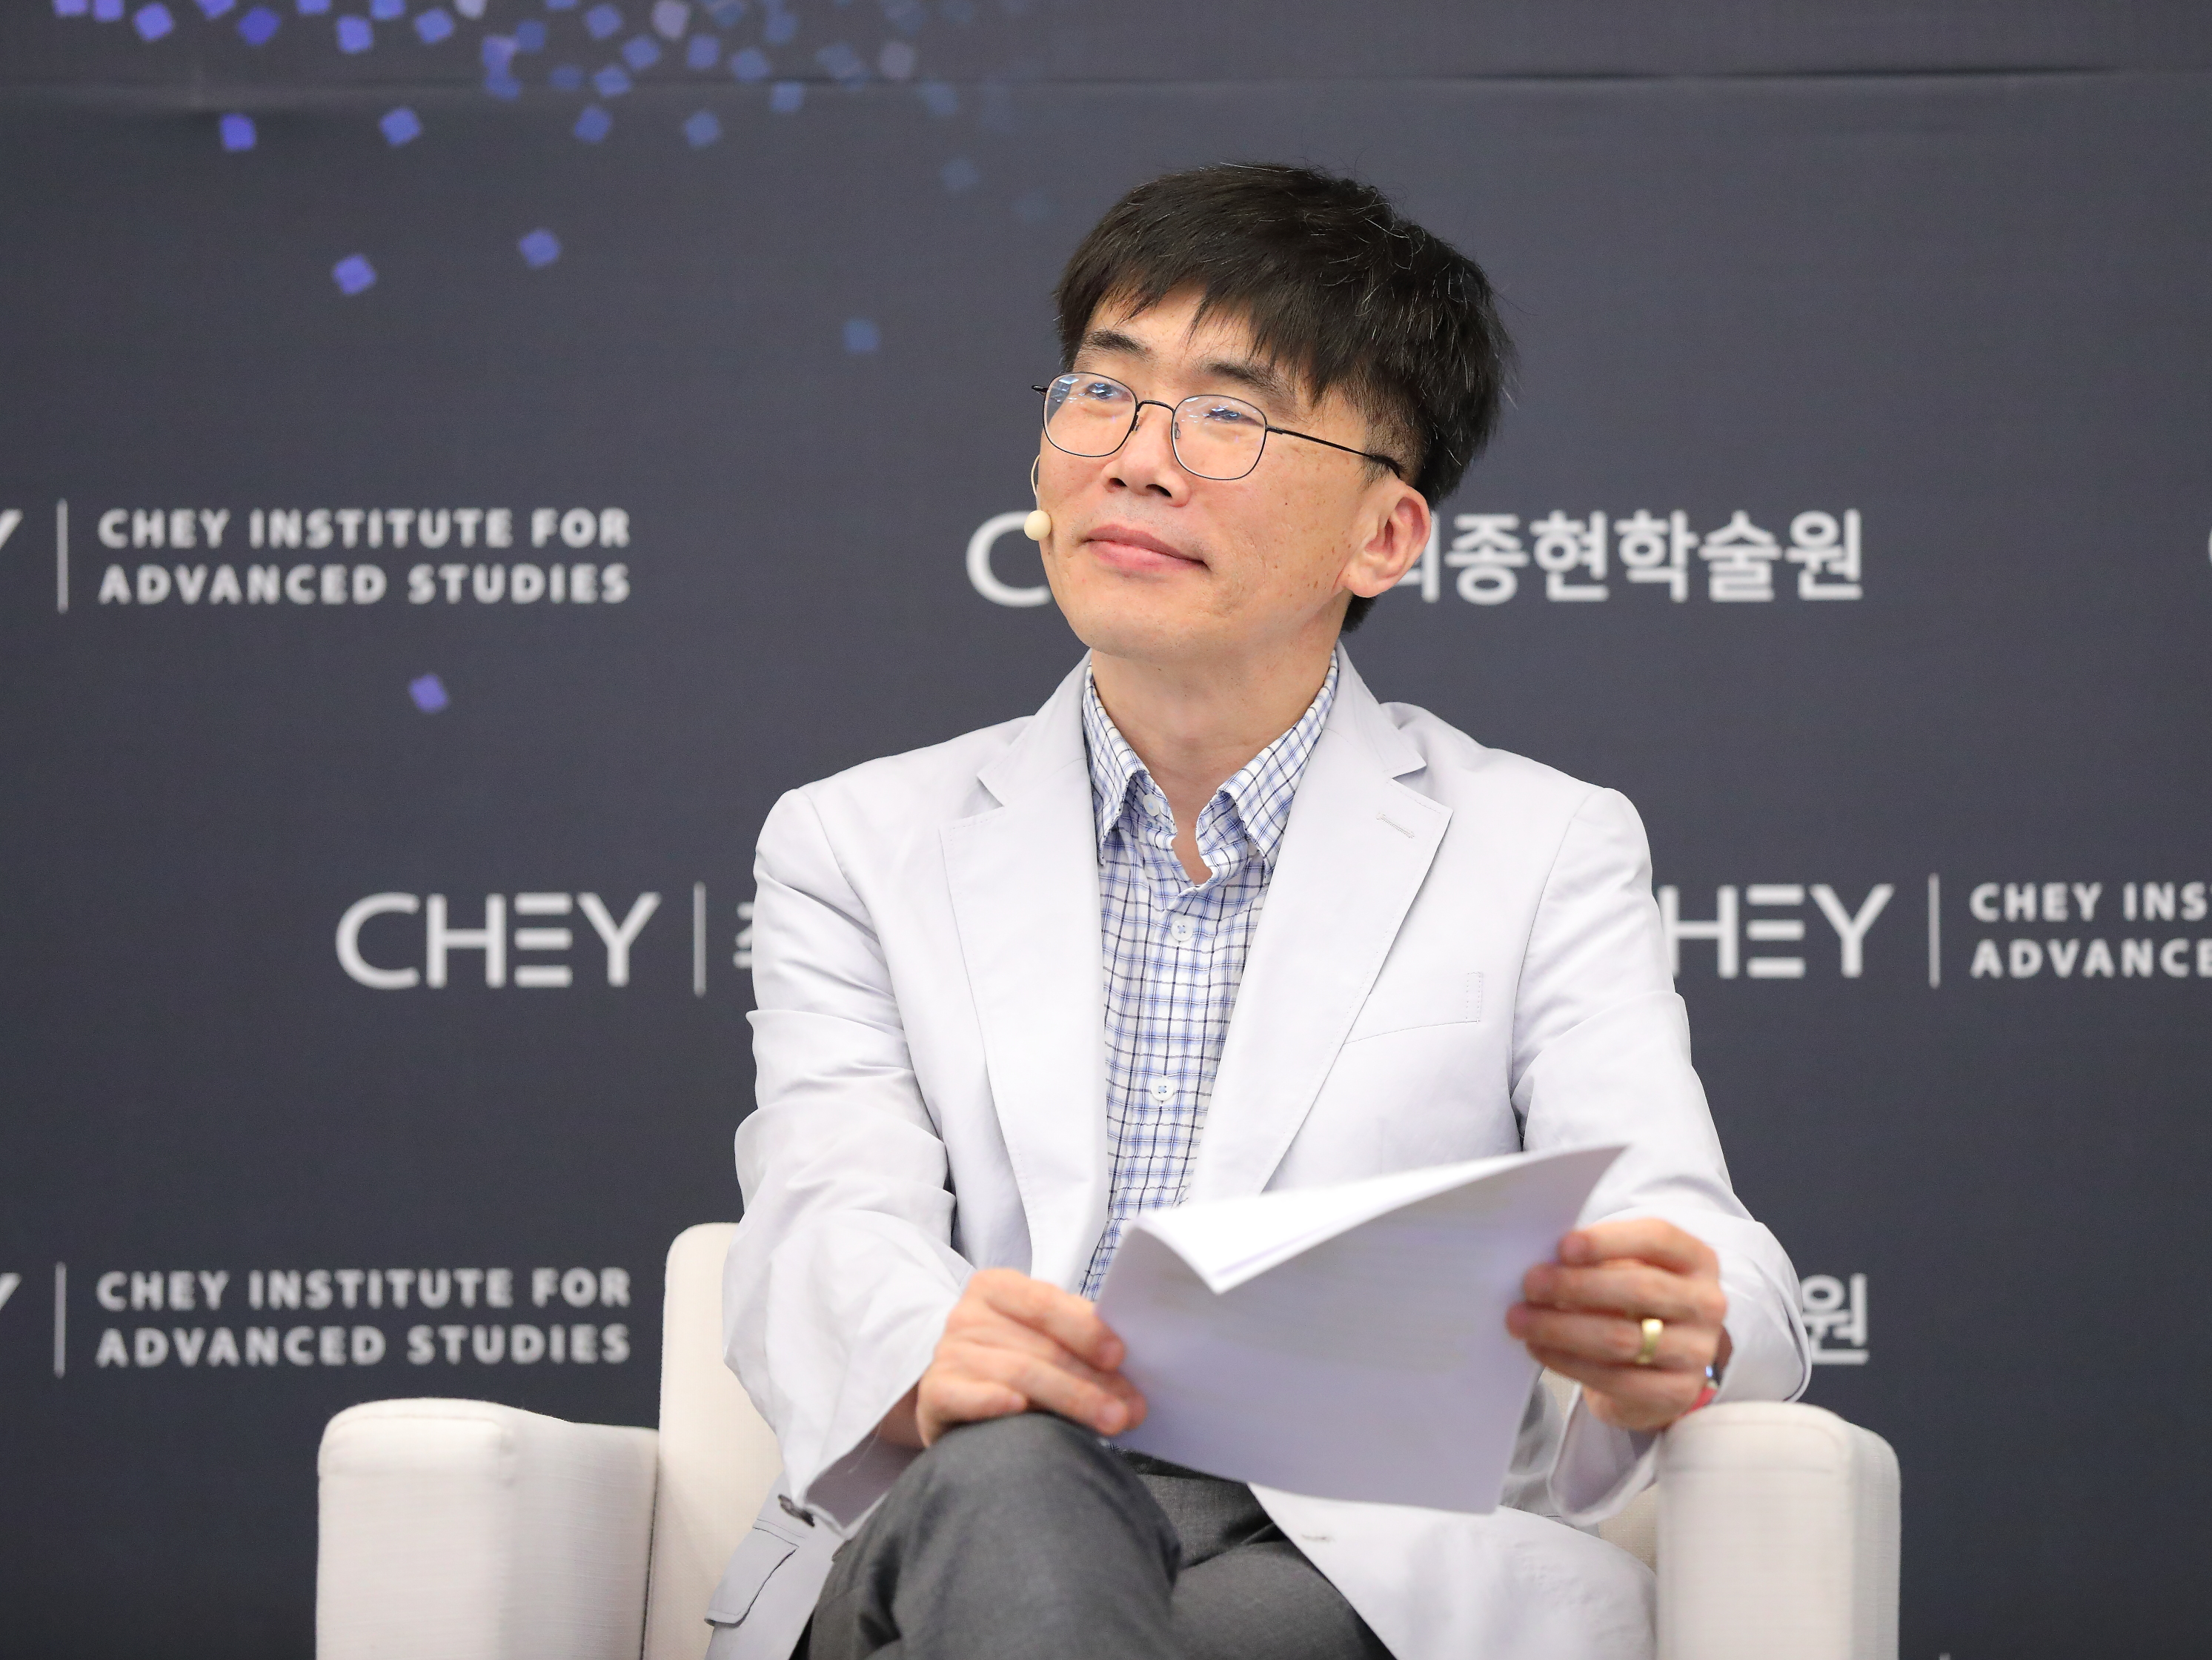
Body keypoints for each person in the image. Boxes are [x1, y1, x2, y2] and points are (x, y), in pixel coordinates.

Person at [711, 163, 1808, 1660]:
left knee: (1251, 1628)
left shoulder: (1542, 847)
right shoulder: (855, 842)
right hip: (953, 1520)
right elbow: (824, 1211)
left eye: (1230, 416)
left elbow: (1696, 1244)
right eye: (1103, 392)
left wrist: (1671, 1323)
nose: (1138, 462)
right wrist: (932, 1349)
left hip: (1341, 1554)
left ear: (1385, 537)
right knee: (1023, 1483)